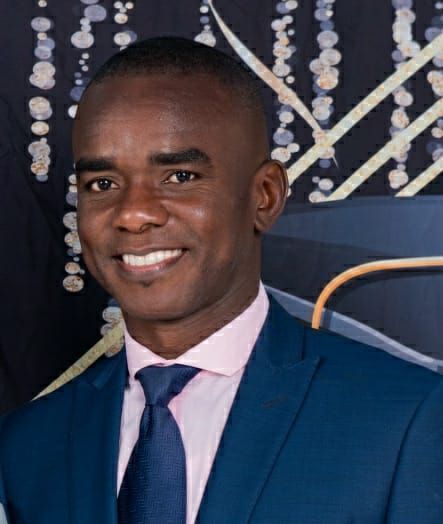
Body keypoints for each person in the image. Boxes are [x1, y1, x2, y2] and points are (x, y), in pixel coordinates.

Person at [1, 36, 443, 524]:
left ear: (265, 196)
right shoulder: (26, 447)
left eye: (180, 176)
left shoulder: (409, 418)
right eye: (102, 184)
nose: (133, 214)